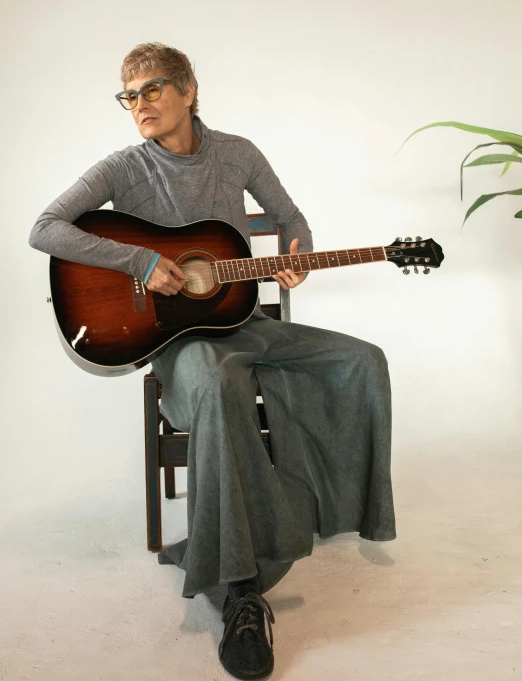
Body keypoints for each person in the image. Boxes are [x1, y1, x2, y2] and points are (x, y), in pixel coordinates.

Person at [29, 42, 396, 680]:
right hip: (181, 344)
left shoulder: (238, 154)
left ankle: (331, 511)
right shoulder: (124, 167)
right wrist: (142, 262)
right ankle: (239, 592)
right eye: (129, 95)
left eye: (151, 89)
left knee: (363, 360)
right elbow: (46, 228)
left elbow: (291, 219)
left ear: (189, 90)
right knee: (221, 385)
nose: (139, 104)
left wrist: (295, 255)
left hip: (245, 322)